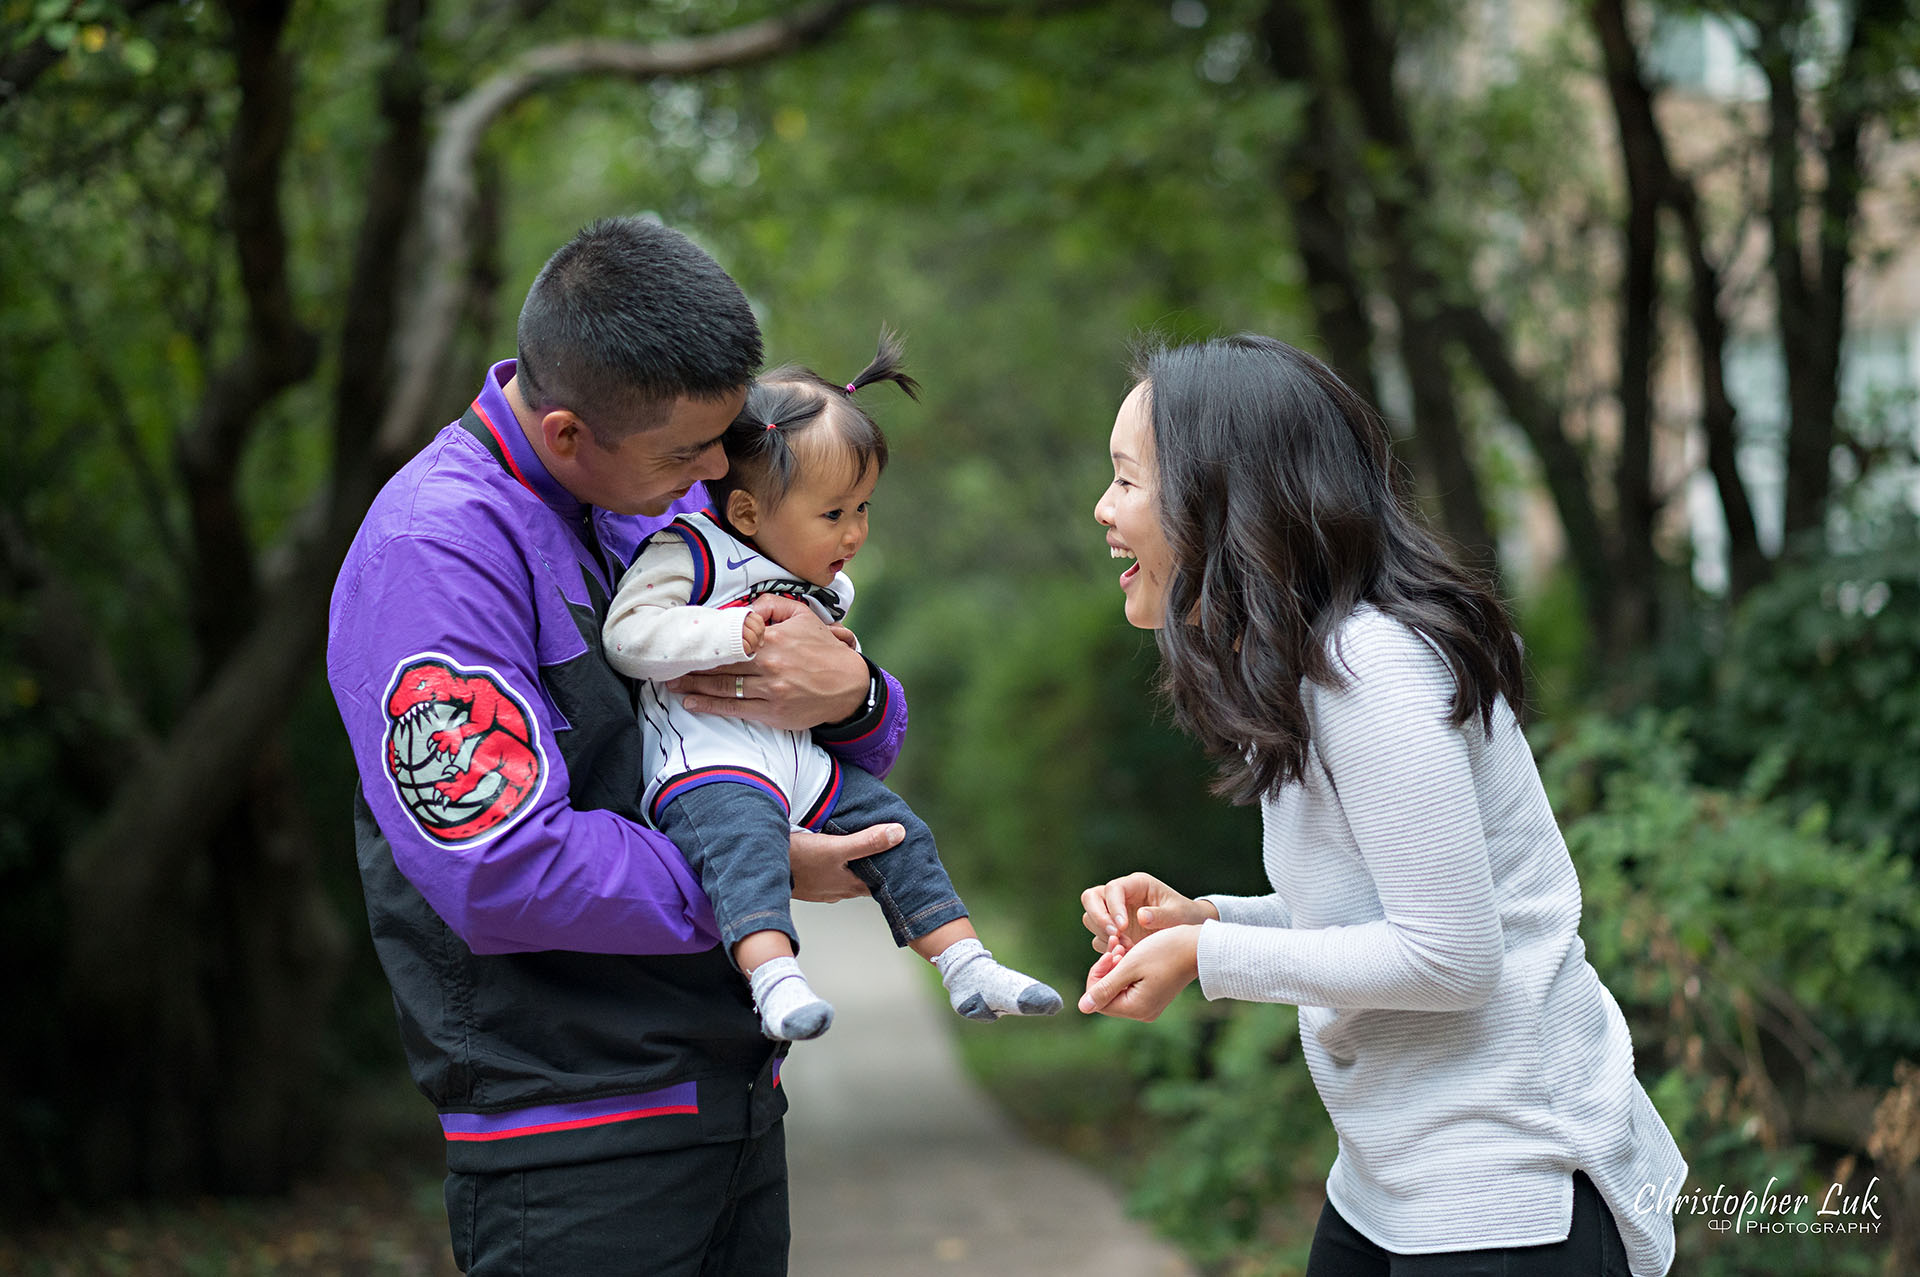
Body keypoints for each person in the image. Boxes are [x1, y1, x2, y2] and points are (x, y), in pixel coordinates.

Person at [326, 216, 912, 1276]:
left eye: (724, 440)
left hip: (733, 1101)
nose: (718, 475)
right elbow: (500, 864)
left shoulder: (656, 494)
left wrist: (861, 690)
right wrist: (756, 875)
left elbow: (817, 722)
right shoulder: (438, 552)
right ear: (565, 433)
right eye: (687, 452)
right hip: (574, 1142)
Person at [1078, 334, 1686, 1277]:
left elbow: (1451, 955)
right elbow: (1377, 912)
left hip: (1508, 1194)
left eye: (1126, 481)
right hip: (1390, 1186)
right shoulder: (1307, 667)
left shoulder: (1371, 668)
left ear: (1220, 496)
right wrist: (1207, 916)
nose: (1104, 511)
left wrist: (1207, 954)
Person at [601, 332, 1061, 1042]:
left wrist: (844, 667)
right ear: (750, 513)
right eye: (834, 513)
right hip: (709, 763)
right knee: (747, 849)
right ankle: (774, 979)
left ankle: (967, 963)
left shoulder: (820, 584)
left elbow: (832, 678)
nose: (855, 532)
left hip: (802, 767)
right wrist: (728, 634)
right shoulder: (688, 550)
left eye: (863, 507)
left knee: (899, 829)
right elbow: (626, 636)